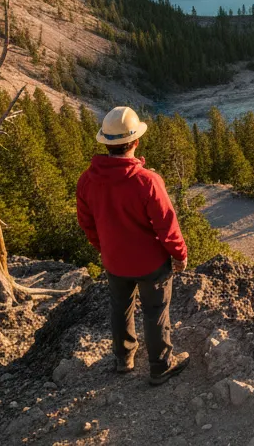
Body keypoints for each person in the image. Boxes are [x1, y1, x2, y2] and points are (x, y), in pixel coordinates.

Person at [77, 106, 190, 385]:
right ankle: (160, 367)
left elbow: (87, 223)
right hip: (151, 263)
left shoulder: (87, 181)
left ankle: (123, 359)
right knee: (155, 312)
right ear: (135, 141)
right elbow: (166, 224)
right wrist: (179, 255)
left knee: (120, 307)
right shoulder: (146, 181)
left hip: (115, 261)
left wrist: (104, 248)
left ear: (105, 142)